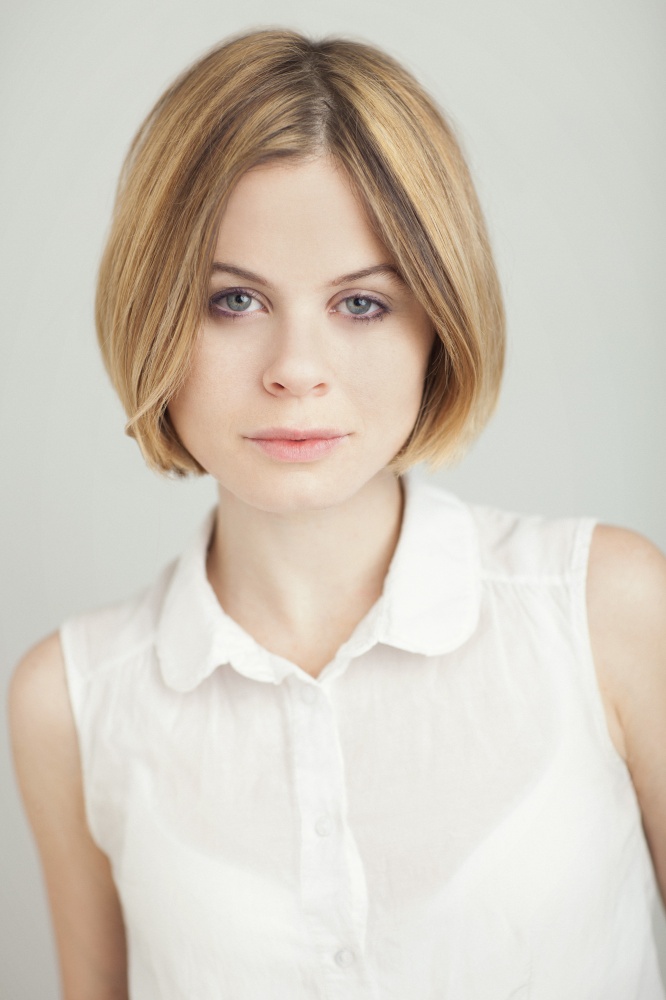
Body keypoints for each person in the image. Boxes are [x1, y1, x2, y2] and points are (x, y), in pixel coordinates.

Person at [8, 28, 666, 1000]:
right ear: (154, 316)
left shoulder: (608, 610)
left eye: (361, 305)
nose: (295, 368)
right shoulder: (70, 700)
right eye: (233, 300)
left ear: (438, 322)